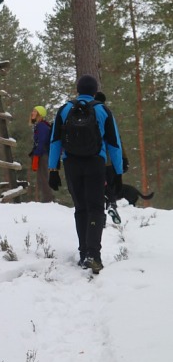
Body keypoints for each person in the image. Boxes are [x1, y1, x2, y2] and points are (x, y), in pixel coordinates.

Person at [48, 75, 123, 274]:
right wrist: (118, 171)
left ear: (78, 89)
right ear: (94, 90)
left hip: (71, 163)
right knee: (96, 208)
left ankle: (83, 255)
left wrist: (52, 170)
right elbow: (114, 143)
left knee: (81, 208)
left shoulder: (64, 109)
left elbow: (55, 141)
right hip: (95, 163)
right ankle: (93, 255)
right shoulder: (102, 109)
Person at [94, 91, 129, 225]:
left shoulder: (89, 115)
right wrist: (123, 160)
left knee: (97, 188)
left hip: (93, 160)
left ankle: (100, 217)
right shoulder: (107, 115)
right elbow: (117, 142)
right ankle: (111, 205)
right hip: (109, 161)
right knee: (110, 186)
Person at [28, 106, 52, 202]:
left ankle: (47, 200)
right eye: (33, 111)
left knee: (43, 177)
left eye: (35, 111)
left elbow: (42, 141)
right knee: (41, 178)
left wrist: (37, 154)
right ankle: (46, 199)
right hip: (42, 154)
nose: (32, 113)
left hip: (42, 155)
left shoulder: (41, 126)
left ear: (40, 114)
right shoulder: (40, 125)